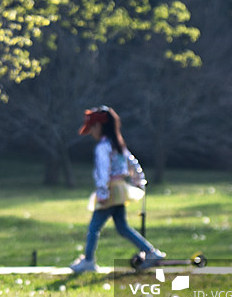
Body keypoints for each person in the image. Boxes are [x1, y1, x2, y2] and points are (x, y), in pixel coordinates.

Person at [69, 106, 165, 273]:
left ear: (99, 126)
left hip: (109, 191)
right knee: (122, 227)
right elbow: (132, 163)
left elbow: (103, 171)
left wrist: (102, 193)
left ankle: (88, 260)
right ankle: (150, 252)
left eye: (92, 128)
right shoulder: (118, 145)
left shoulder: (103, 147)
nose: (91, 132)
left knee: (94, 227)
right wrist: (139, 180)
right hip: (120, 190)